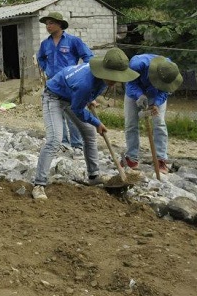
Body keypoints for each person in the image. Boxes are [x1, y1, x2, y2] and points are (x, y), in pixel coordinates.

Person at [32, 48, 139, 200]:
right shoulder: (85, 84)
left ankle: (94, 176)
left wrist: (89, 98)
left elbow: (83, 93)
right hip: (53, 96)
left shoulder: (101, 78)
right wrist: (96, 122)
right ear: (104, 71)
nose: (114, 82)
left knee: (88, 133)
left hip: (71, 95)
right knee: (55, 139)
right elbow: (77, 109)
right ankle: (39, 184)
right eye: (112, 78)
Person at [36, 12, 94, 158]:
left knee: (73, 114)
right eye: (47, 24)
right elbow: (40, 58)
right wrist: (46, 68)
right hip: (53, 84)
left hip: (70, 84)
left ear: (60, 24)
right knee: (57, 114)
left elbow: (88, 57)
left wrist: (82, 72)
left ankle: (77, 145)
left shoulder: (73, 41)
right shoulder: (45, 44)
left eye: (51, 23)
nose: (48, 26)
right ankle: (64, 144)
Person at [123, 54, 183, 175]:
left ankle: (160, 159)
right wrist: (139, 95)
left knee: (159, 123)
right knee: (130, 123)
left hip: (156, 94)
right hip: (135, 91)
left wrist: (156, 103)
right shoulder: (137, 64)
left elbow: (165, 90)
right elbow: (130, 83)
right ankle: (131, 158)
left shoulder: (170, 70)